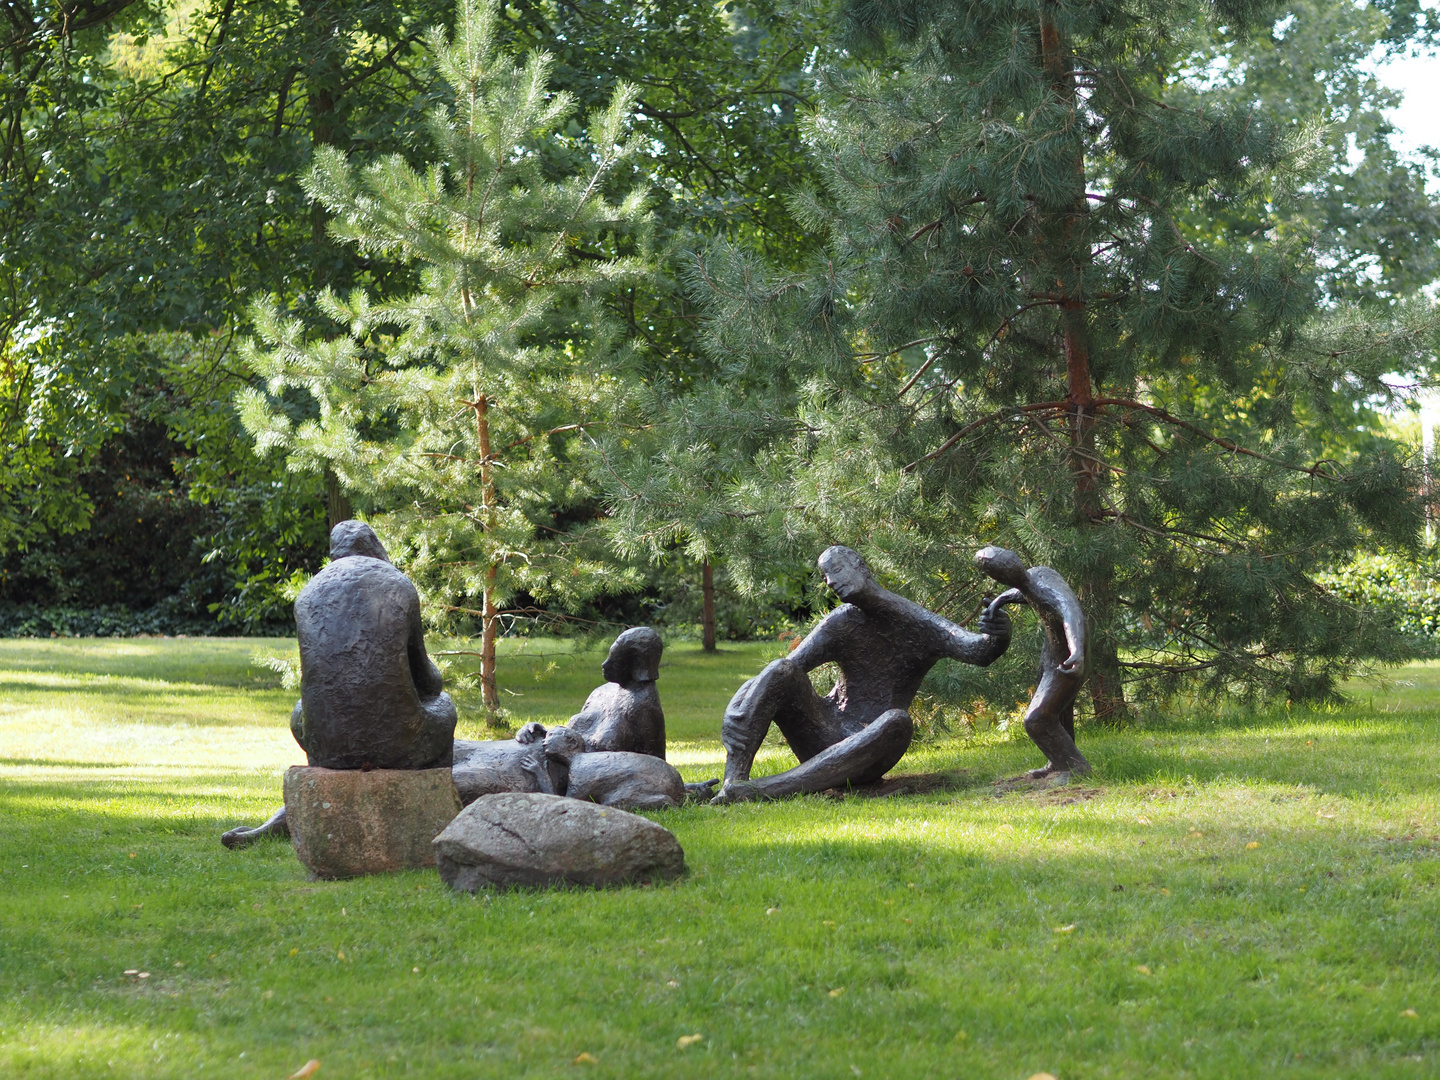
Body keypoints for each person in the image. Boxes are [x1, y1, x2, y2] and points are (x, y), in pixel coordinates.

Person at [712, 546, 1012, 803]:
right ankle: (734, 781)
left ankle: (761, 790)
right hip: (821, 732)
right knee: (781, 670)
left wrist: (997, 635)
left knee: (897, 722)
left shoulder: (918, 623)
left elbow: (978, 651)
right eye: (825, 576)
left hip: (871, 746)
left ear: (860, 566)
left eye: (836, 570)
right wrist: (740, 705)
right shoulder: (842, 622)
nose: (830, 581)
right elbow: (781, 673)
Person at [221, 520, 456, 848]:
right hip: (399, 741)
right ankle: (438, 817)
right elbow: (428, 682)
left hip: (329, 745)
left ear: (334, 554)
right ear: (375, 548)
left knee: (301, 714)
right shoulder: (399, 585)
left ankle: (304, 813)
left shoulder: (307, 595)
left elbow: (315, 681)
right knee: (445, 707)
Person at [974, 545, 1092, 779]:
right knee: (1058, 712)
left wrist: (1077, 651)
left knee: (1037, 718)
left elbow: (1072, 614)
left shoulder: (1047, 589)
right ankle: (1058, 761)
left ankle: (1076, 767)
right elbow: (1024, 591)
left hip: (1067, 653)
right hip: (1052, 653)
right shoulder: (1037, 574)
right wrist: (1000, 601)